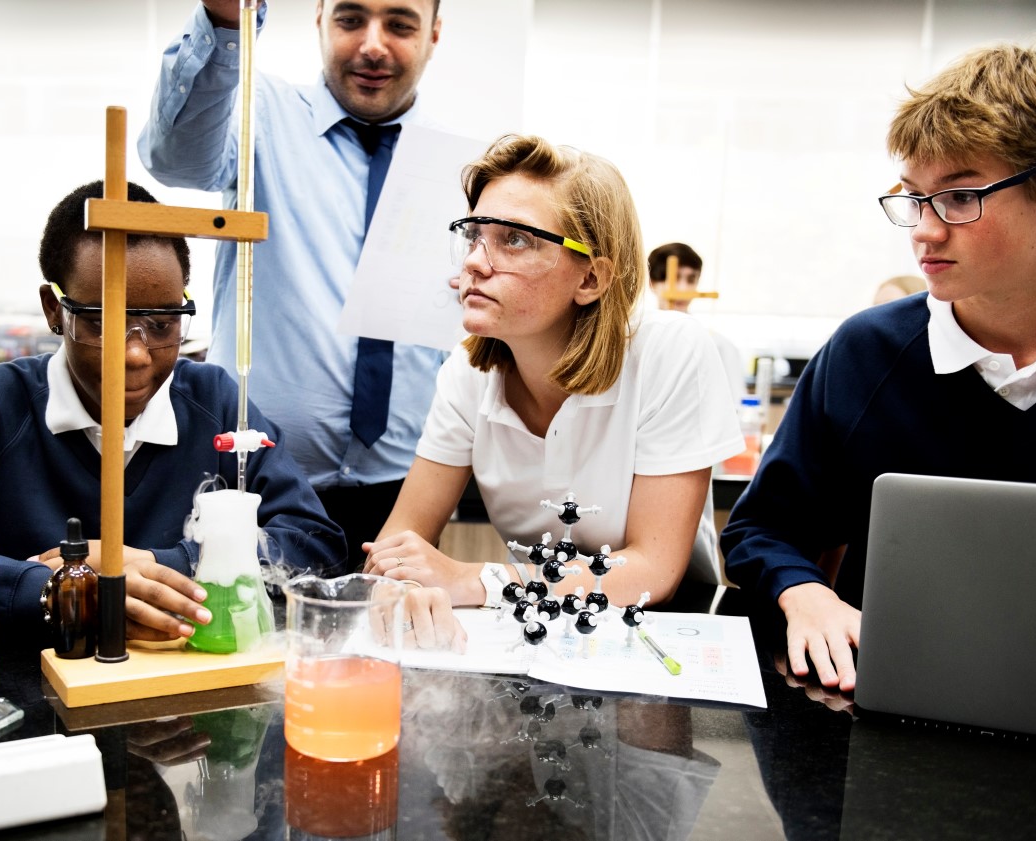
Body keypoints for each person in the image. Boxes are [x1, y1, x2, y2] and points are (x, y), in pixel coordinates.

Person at [721, 35, 1036, 693]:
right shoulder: (866, 352)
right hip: (883, 713)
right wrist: (805, 591)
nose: (924, 230)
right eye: (914, 196)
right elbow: (762, 527)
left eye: (960, 197)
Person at [0, 180, 350, 646]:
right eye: (102, 322)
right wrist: (63, 591)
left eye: (163, 324)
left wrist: (152, 564)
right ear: (53, 310)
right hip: (42, 701)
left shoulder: (217, 402)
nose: (136, 355)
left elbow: (313, 541)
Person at [362, 135, 743, 610]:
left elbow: (652, 569)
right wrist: (399, 579)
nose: (475, 263)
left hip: (661, 624)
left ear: (590, 279)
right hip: (527, 625)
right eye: (474, 236)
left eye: (514, 239)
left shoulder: (670, 351)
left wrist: (473, 580)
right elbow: (399, 538)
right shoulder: (466, 372)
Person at [138, 0, 447, 569]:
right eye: (351, 19)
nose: (373, 45)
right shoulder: (259, 114)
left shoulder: (458, 165)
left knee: (393, 653)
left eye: (400, 24)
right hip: (261, 484)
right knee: (249, 648)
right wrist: (227, 23)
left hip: (405, 495)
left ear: (434, 33)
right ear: (320, 23)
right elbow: (174, 159)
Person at [646, 242, 745, 405]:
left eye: (691, 279)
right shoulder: (633, 340)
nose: (683, 289)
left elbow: (737, 405)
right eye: (674, 278)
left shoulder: (719, 345)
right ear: (652, 283)